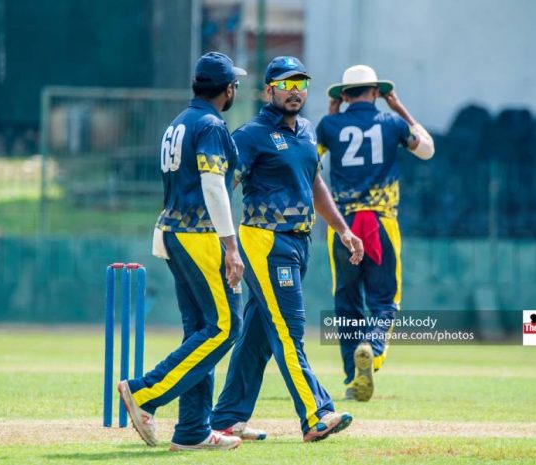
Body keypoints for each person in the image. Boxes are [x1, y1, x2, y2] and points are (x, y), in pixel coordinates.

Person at [209, 56, 364, 443]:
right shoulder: (250, 135)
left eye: (300, 84)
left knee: (258, 335)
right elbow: (222, 186)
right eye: (286, 85)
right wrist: (224, 243)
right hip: (264, 240)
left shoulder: (308, 131)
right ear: (269, 90)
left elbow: (314, 184)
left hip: (298, 240)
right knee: (289, 330)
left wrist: (343, 229)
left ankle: (226, 419)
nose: (295, 92)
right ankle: (316, 414)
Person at [117, 52, 247, 451]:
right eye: (235, 85)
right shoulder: (211, 125)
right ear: (228, 89)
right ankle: (145, 392)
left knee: (200, 331)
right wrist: (231, 245)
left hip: (174, 232)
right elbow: (212, 186)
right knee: (225, 327)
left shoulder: (178, 123)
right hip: (199, 235)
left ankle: (192, 430)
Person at [316, 65, 435, 402]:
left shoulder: (328, 126)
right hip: (381, 222)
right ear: (376, 92)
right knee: (385, 299)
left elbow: (309, 160)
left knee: (346, 300)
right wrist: (400, 108)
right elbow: (427, 149)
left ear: (343, 95)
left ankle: (352, 375)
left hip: (342, 225)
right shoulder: (392, 123)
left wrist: (331, 116)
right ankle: (374, 347)